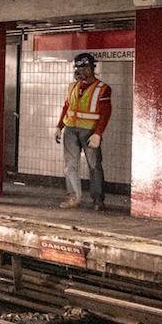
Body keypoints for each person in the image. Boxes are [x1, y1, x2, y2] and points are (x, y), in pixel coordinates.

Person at [54, 52, 112, 210]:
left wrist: (98, 134)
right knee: (70, 165)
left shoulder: (103, 89)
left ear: (92, 68)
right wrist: (60, 126)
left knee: (94, 165)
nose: (80, 71)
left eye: (84, 68)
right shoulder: (72, 86)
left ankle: (98, 200)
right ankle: (73, 197)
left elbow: (106, 114)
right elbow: (67, 106)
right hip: (70, 130)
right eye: (77, 68)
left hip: (90, 132)